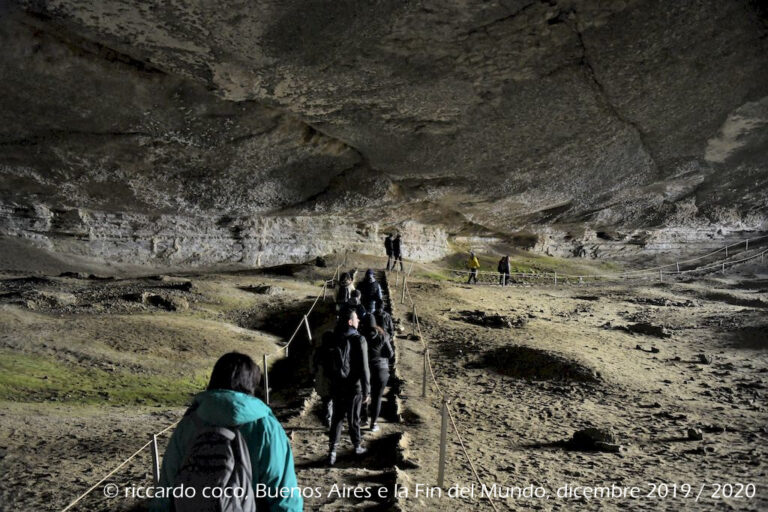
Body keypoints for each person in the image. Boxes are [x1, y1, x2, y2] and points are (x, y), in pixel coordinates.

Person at [152, 352, 302, 512]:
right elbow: (283, 492)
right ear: (251, 383)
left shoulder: (189, 423)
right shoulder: (265, 426)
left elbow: (167, 485)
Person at [328, 309, 370, 465]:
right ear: (350, 322)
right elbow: (364, 367)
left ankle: (332, 451)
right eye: (356, 318)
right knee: (354, 419)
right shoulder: (359, 340)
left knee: (337, 418)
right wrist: (367, 390)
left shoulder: (335, 337)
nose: (359, 320)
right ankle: (357, 447)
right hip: (354, 386)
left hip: (338, 385)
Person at [360, 315, 394, 432]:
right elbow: (390, 354)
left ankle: (363, 418)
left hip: (364, 370)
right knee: (377, 398)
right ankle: (373, 423)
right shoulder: (382, 336)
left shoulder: (360, 336)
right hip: (381, 369)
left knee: (363, 394)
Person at [313, 331, 335, 427]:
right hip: (331, 377)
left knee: (326, 400)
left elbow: (315, 364)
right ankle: (329, 420)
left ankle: (327, 419)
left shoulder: (319, 350)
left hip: (322, 377)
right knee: (330, 400)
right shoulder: (334, 350)